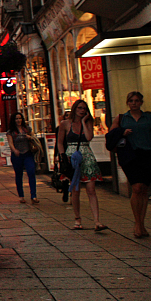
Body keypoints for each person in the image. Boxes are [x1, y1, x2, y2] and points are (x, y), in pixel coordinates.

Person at [110, 91, 151, 238]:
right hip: (131, 156)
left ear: (141, 102)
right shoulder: (121, 118)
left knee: (144, 189)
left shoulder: (149, 117)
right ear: (127, 103)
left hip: (147, 154)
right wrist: (122, 132)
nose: (134, 103)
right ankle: (137, 223)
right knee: (136, 188)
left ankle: (142, 223)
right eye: (131, 101)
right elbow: (111, 135)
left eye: (137, 100)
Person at [57, 99, 105, 231]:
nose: (82, 110)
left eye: (84, 108)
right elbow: (60, 142)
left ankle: (97, 221)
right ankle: (77, 219)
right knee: (75, 190)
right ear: (74, 109)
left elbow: (89, 138)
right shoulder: (65, 124)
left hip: (87, 156)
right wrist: (62, 157)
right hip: (72, 157)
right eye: (79, 108)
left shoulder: (88, 122)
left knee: (91, 189)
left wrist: (84, 122)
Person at [4, 112, 38, 205]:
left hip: (28, 153)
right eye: (16, 119)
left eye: (20, 118)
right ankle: (21, 196)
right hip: (17, 155)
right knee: (19, 175)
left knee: (31, 172)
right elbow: (10, 143)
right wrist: (14, 150)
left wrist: (29, 137)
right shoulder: (11, 132)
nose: (18, 120)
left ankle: (33, 196)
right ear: (13, 120)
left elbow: (33, 138)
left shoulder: (27, 129)